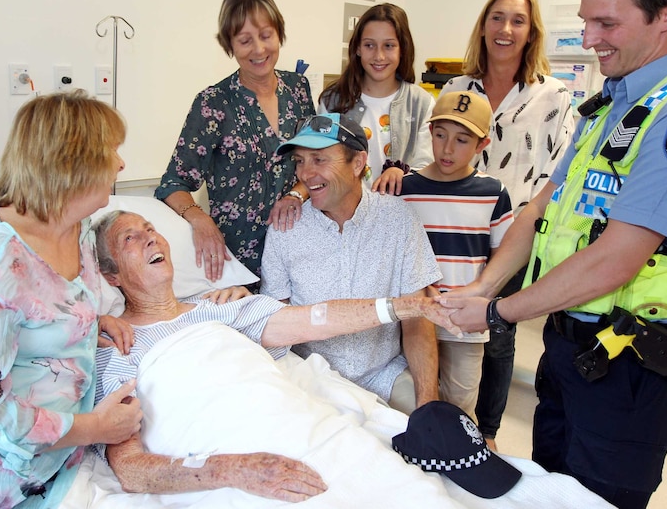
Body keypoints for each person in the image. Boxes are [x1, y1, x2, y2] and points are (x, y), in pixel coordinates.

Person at [440, 0, 667, 508]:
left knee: (601, 497)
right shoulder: (610, 105)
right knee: (552, 485)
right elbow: (540, 212)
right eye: (586, 21)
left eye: (606, 23)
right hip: (567, 344)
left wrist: (499, 309)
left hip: (628, 363)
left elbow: (619, 256)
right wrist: (481, 287)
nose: (588, 40)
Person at [91, 210, 459, 501]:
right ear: (111, 276)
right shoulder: (114, 346)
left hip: (306, 430)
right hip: (227, 459)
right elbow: (130, 468)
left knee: (412, 493)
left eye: (150, 228)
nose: (150, 237)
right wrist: (235, 470)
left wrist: (403, 306)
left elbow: (315, 320)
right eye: (130, 238)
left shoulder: (222, 307)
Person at [0, 91, 142, 508]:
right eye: (111, 150)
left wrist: (88, 320)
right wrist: (95, 428)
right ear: (73, 161)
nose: (121, 163)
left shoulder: (76, 225)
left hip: (51, 464)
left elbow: (54, 303)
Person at [439, 0, 574, 450]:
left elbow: (562, 172)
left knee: (496, 333)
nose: (505, 29)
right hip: (455, 229)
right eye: (496, 18)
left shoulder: (553, 96)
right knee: (444, 325)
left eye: (517, 20)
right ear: (483, 26)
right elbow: (432, 154)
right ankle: (441, 412)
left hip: (513, 234)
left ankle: (487, 432)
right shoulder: (457, 88)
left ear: (531, 31)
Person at [260, 113, 441, 414]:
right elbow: (276, 323)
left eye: (319, 160)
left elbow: (417, 319)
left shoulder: (399, 220)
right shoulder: (285, 229)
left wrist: (428, 402)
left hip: (384, 375)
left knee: (445, 437)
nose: (305, 174)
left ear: (357, 163)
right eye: (300, 161)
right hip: (314, 381)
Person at [155, 0, 315, 283]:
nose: (259, 49)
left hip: (298, 248)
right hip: (237, 262)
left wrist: (297, 193)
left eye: (266, 36)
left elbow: (316, 161)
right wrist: (200, 219)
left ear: (279, 34)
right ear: (230, 46)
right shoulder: (213, 103)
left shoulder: (298, 90)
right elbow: (172, 183)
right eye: (244, 41)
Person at [400, 90, 513, 424]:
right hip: (415, 317)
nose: (447, 149)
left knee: (461, 402)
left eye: (462, 140)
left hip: (465, 321)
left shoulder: (493, 192)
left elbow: (502, 255)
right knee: (412, 398)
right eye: (440, 136)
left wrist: (484, 294)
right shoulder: (406, 188)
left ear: (482, 144)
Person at [319, 3, 434, 195]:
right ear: (357, 48)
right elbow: (322, 160)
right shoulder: (332, 101)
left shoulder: (421, 103)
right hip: (344, 216)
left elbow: (427, 164)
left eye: (388, 46)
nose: (379, 56)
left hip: (400, 214)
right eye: (369, 45)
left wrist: (403, 173)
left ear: (402, 49)